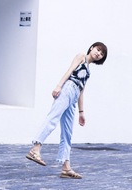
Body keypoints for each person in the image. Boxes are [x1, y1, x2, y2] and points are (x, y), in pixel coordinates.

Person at [26, 41, 107, 179]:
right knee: (53, 118)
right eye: (98, 50)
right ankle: (35, 149)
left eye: (102, 54)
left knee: (67, 133)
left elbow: (81, 91)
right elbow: (69, 72)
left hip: (74, 96)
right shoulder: (81, 57)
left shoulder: (88, 71)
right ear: (92, 48)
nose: (98, 53)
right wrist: (58, 86)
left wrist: (81, 112)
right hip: (68, 88)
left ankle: (66, 168)